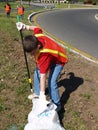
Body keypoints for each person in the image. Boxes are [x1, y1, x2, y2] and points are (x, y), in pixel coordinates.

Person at [16, 22, 68, 112]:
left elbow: (43, 76)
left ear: (38, 46)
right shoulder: (36, 37)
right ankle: (37, 93)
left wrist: (43, 95)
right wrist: (25, 26)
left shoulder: (44, 55)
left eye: (32, 53)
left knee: (52, 82)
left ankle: (57, 105)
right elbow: (36, 28)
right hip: (51, 58)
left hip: (59, 60)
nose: (32, 55)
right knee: (37, 73)